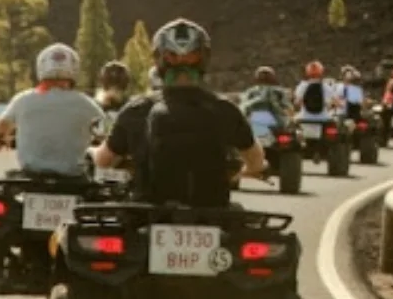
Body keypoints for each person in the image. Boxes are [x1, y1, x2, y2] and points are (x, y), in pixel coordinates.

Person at [91, 18, 266, 206]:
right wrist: (246, 170)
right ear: (204, 59)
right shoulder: (225, 109)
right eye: (174, 56)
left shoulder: (136, 109)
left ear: (159, 60)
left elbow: (104, 161)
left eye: (189, 56)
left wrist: (92, 151)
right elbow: (256, 161)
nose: (182, 61)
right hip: (211, 212)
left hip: (147, 214)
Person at [0, 43, 107, 177]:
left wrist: (0, 137)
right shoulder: (86, 103)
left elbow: (1, 126)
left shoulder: (23, 99)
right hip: (73, 178)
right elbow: (107, 132)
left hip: (31, 175)